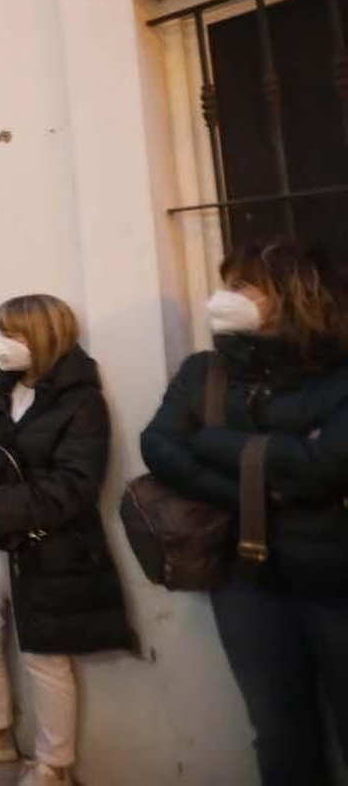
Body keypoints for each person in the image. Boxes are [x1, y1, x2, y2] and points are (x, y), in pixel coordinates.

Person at [140, 241, 348, 786]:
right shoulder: (206, 371)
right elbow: (161, 446)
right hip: (246, 578)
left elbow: (326, 465)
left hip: (336, 579)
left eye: (241, 286)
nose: (222, 299)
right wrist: (259, 489)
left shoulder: (338, 372)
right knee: (279, 731)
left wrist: (212, 441)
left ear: (293, 296)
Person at [0, 294, 133, 786]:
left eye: (15, 335)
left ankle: (53, 763)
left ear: (44, 338)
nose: (3, 344)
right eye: (1, 332)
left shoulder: (81, 400)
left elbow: (78, 483)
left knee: (44, 654)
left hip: (47, 544)